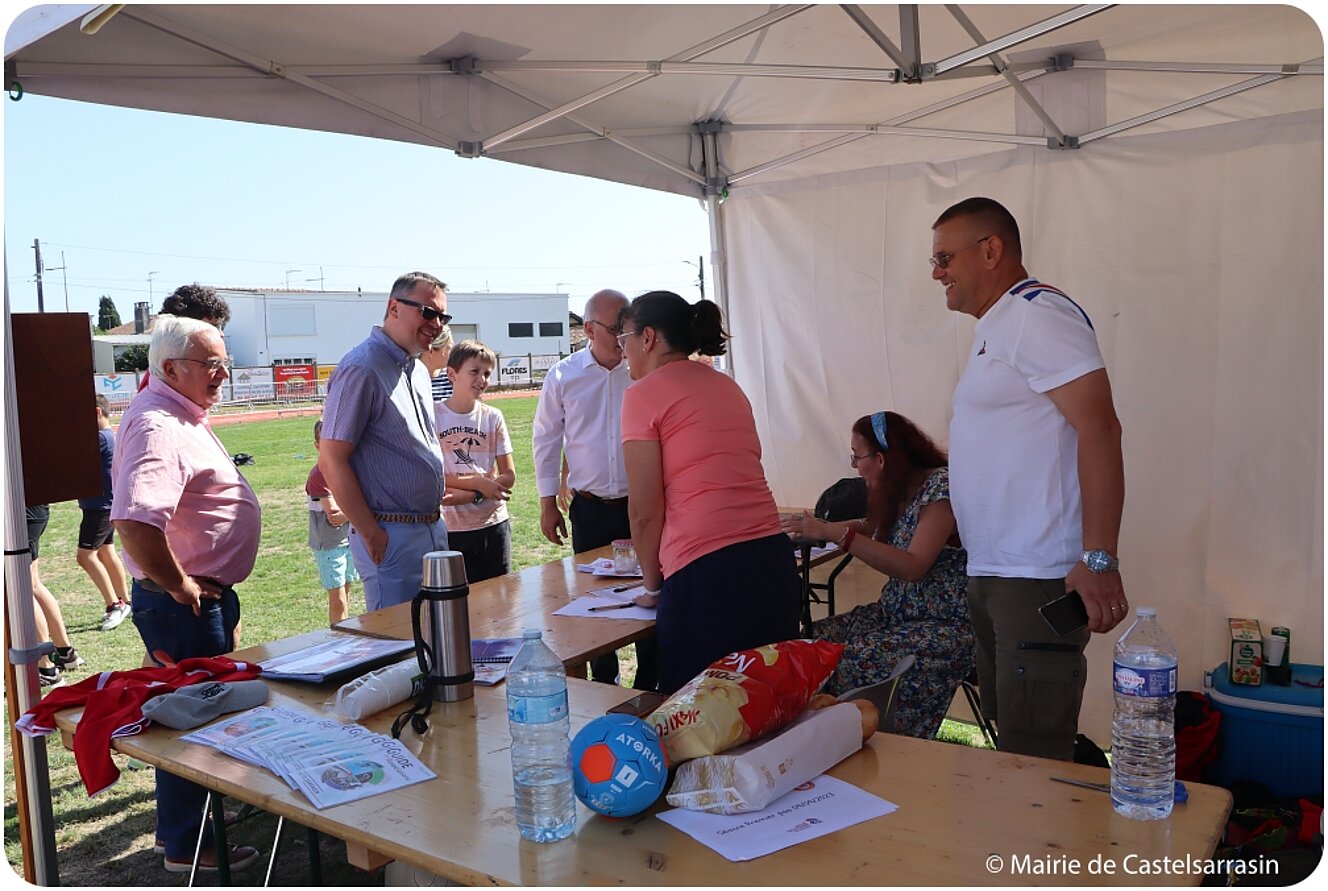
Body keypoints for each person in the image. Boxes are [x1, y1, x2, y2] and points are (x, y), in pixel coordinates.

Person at [931, 196, 1127, 761]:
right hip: (996, 571)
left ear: (990, 250)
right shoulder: (1001, 325)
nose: (936, 273)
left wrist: (1098, 558)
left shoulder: (1036, 315)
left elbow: (1101, 429)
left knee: (1035, 759)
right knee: (1014, 748)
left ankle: (1043, 855)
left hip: (1036, 575)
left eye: (945, 258)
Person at [111, 314, 262, 872]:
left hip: (196, 600)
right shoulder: (158, 423)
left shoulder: (177, 411)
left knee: (190, 712)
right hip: (185, 604)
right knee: (190, 718)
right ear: (171, 368)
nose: (222, 373)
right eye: (211, 364)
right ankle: (186, 846)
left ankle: (178, 829)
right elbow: (134, 521)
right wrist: (181, 586)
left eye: (225, 362)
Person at [617, 291, 799, 694]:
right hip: (770, 559)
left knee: (702, 722)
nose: (623, 350)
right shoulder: (725, 385)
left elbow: (645, 510)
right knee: (770, 706)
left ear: (648, 338)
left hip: (707, 573)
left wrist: (651, 587)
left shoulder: (642, 394)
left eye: (624, 338)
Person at [782, 412, 975, 739]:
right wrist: (822, 529)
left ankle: (858, 743)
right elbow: (873, 526)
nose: (855, 466)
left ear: (882, 459)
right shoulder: (903, 491)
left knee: (856, 656)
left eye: (857, 456)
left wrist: (837, 534)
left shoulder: (941, 490)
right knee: (811, 642)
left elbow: (913, 566)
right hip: (896, 616)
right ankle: (810, 739)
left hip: (944, 626)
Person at [532, 289, 656, 689]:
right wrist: (548, 503)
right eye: (616, 325)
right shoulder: (564, 375)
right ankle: (605, 685)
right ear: (588, 328)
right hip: (590, 509)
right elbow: (546, 439)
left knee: (650, 592)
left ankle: (652, 682)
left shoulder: (644, 371)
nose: (624, 333)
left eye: (627, 324)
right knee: (595, 603)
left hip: (643, 506)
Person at [319, 272, 449, 612]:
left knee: (438, 635)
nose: (436, 324)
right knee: (400, 647)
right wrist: (370, 532)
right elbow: (331, 458)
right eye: (427, 312)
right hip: (391, 533)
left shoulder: (418, 370)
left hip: (430, 528)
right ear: (394, 308)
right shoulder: (361, 368)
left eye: (442, 316)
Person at [435, 340, 516, 583]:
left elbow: (509, 475)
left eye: (487, 373)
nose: (482, 379)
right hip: (451, 529)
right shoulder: (433, 417)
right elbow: (433, 476)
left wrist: (473, 495)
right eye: (474, 371)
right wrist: (479, 483)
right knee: (458, 604)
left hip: (493, 525)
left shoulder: (493, 417)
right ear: (452, 374)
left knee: (500, 603)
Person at [76, 395, 132, 631]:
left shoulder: (100, 438)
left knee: (85, 556)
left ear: (97, 412)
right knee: (107, 552)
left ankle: (114, 605)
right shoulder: (110, 436)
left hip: (99, 507)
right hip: (103, 505)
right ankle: (126, 601)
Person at [307, 419, 359, 625]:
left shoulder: (348, 469)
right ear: (317, 445)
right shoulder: (319, 475)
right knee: (337, 598)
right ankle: (340, 637)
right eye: (325, 441)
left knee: (346, 591)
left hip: (349, 538)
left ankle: (345, 633)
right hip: (329, 544)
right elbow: (335, 515)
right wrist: (359, 510)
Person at [25, 504, 83, 687]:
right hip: (34, 510)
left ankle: (46, 668)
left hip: (22, 513)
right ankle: (65, 652)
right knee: (32, 584)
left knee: (21, 590)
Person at [136, 283, 231, 391]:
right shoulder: (156, 389)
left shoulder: (161, 379)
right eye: (214, 326)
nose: (221, 334)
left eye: (221, 327)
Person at [421, 325, 456, 404]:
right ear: (431, 351)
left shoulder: (452, 377)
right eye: (448, 348)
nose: (452, 353)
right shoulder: (409, 379)